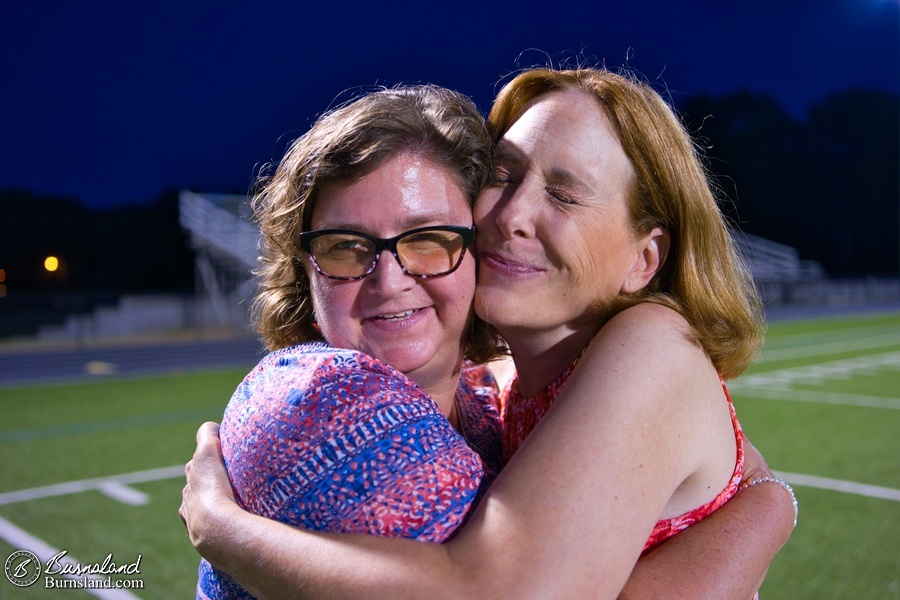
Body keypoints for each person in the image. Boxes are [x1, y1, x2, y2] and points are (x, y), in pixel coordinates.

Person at [182, 68, 798, 599]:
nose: (510, 215)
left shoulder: (651, 347)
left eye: (563, 193)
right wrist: (766, 509)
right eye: (503, 176)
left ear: (644, 260)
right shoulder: (503, 386)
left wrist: (220, 527)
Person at [194, 84, 508, 598]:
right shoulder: (316, 400)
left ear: (483, 252)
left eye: (426, 238)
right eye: (345, 247)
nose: (388, 280)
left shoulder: (480, 399)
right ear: (305, 278)